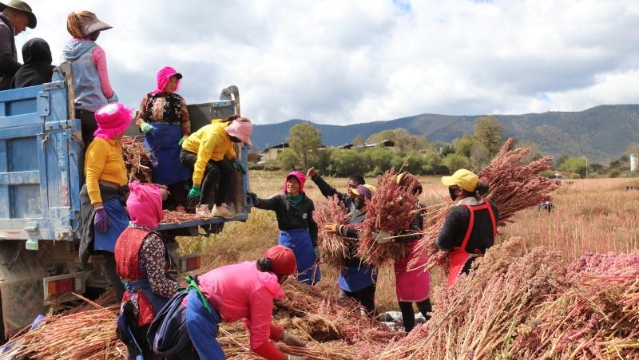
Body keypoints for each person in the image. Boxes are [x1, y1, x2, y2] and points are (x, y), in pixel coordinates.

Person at [164, 246, 308, 360]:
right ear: (283, 276)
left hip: (185, 306)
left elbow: (252, 321)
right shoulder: (262, 289)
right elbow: (258, 345)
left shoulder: (253, 269)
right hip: (195, 315)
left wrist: (283, 336)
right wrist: (288, 358)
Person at [115, 180, 181, 360]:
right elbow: (158, 285)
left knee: (137, 353)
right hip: (148, 312)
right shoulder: (151, 240)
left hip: (128, 307)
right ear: (152, 209)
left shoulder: (123, 235)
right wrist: (183, 289)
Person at [79, 102, 133, 300]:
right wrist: (99, 208)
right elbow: (91, 177)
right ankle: (125, 300)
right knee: (113, 254)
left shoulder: (114, 143)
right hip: (105, 203)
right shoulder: (99, 145)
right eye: (123, 124)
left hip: (115, 201)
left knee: (123, 252)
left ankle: (130, 297)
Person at [247, 171, 321, 285]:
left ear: (300, 185)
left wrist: (315, 245)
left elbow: (313, 225)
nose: (291, 184)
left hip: (303, 241)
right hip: (286, 239)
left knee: (306, 267)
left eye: (295, 182)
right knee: (283, 265)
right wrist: (256, 200)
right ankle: (284, 290)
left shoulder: (308, 203)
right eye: (289, 181)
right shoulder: (280, 199)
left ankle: (307, 290)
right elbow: (265, 203)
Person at [135, 66, 191, 212]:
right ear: (162, 81)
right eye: (170, 81)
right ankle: (156, 205)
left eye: (175, 82)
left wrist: (185, 135)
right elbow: (139, 118)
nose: (173, 85)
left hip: (173, 142)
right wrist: (144, 125)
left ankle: (180, 204)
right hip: (153, 142)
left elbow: (185, 120)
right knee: (154, 171)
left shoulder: (179, 100)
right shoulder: (148, 98)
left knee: (176, 170)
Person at [61, 10, 117, 149]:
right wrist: (113, 99)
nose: (98, 33)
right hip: (94, 113)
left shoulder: (64, 53)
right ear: (89, 31)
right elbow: (105, 87)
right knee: (97, 159)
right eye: (96, 30)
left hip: (72, 114)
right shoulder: (97, 51)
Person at [436, 169, 499, 286]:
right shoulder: (491, 206)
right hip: (488, 266)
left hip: (464, 271)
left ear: (459, 191)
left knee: (459, 303)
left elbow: (442, 244)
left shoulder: (457, 212)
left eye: (452, 186)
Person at [181, 116, 252, 217]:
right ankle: (201, 207)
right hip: (190, 152)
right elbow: (201, 160)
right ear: (232, 132)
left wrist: (233, 159)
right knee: (213, 170)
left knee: (228, 171)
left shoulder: (227, 135)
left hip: (210, 154)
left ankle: (219, 207)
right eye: (239, 138)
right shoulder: (213, 135)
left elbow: (227, 146)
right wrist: (196, 186)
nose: (239, 141)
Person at [324, 184, 378, 316]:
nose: (354, 199)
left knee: (367, 307)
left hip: (363, 270)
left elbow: (364, 232)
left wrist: (341, 229)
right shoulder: (354, 214)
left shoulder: (372, 217)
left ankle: (376, 331)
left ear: (366, 198)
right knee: (345, 306)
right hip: (348, 269)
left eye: (357, 196)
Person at [392, 172, 432, 332]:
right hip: (405, 257)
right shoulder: (402, 206)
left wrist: (392, 238)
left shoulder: (414, 208)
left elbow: (415, 234)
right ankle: (410, 335)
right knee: (404, 301)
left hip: (414, 257)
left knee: (421, 301)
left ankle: (437, 331)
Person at [0, 0, 36, 90]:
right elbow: (4, 60)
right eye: (25, 24)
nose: (24, 29)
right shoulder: (2, 27)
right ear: (15, 15)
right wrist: (30, 71)